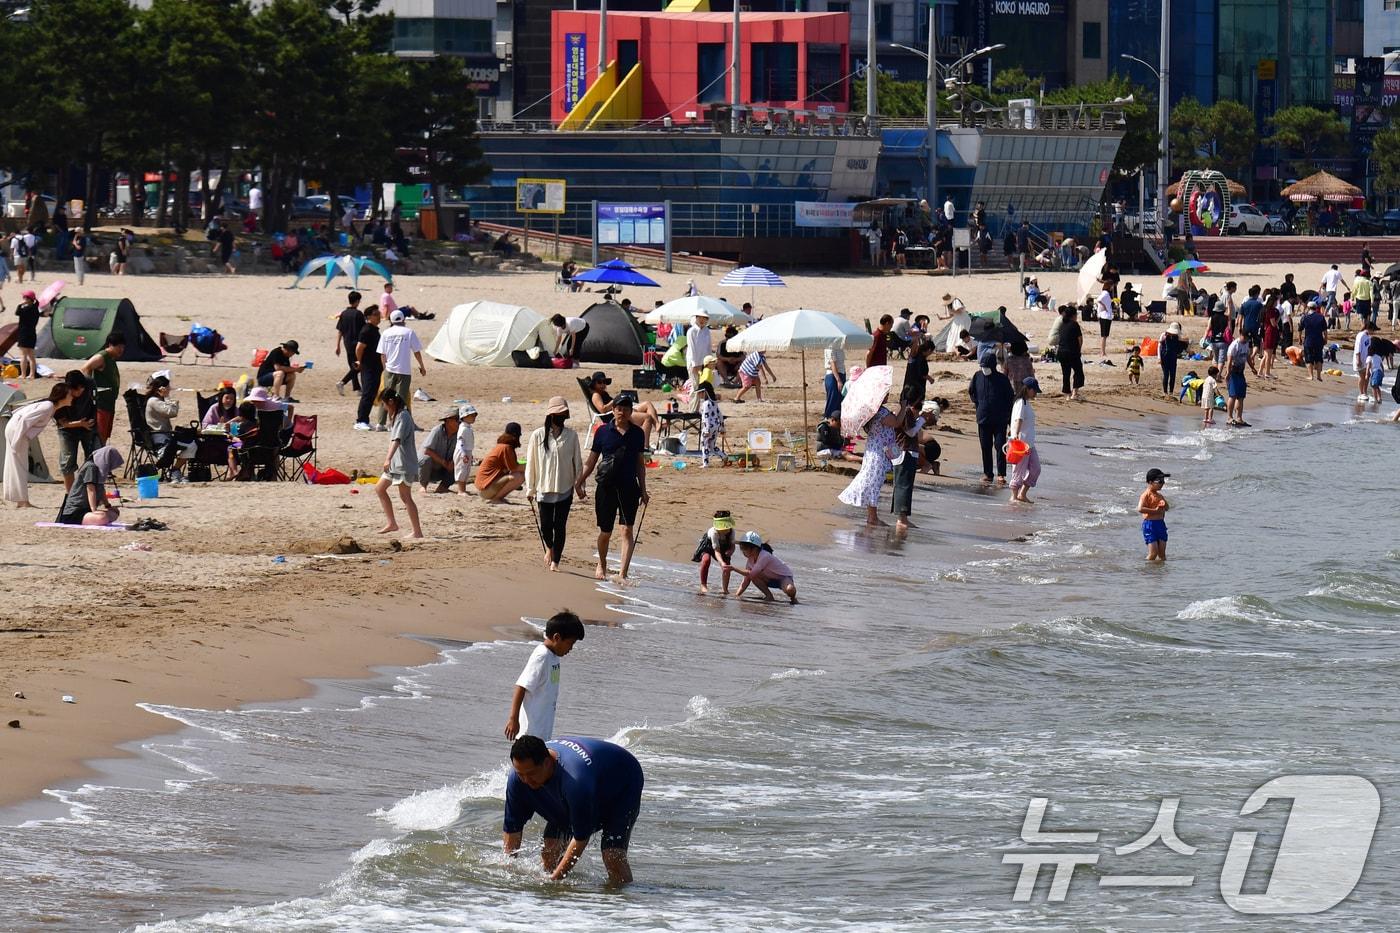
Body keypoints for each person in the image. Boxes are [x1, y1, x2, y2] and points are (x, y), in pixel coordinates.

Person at [502, 735, 644, 886]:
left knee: (612, 856)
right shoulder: (517, 779)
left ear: (547, 762)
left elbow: (581, 837)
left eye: (531, 774)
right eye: (520, 774)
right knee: (551, 850)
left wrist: (554, 880)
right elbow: (512, 828)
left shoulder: (576, 781)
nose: (526, 781)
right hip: (585, 781)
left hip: (622, 783)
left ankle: (623, 903)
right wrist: (509, 871)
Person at [574, 395, 649, 581]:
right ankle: (602, 563)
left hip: (629, 487)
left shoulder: (638, 434)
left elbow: (640, 463)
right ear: (613, 410)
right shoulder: (602, 432)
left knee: (626, 530)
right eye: (618, 408)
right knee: (605, 532)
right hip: (606, 487)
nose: (621, 412)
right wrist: (579, 481)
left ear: (631, 412)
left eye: (625, 408)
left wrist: (644, 489)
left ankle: (623, 573)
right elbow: (591, 461)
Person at [504, 611, 585, 741]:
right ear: (557, 637)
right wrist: (513, 719)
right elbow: (521, 686)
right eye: (570, 643)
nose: (571, 648)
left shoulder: (554, 656)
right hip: (529, 733)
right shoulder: (542, 656)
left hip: (541, 732)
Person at [525, 398, 584, 570]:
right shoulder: (537, 435)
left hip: (565, 489)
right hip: (543, 489)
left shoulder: (572, 436)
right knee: (546, 527)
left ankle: (555, 561)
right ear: (551, 415)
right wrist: (530, 488)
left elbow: (578, 463)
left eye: (564, 414)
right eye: (560, 414)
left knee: (560, 526)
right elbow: (532, 463)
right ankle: (549, 548)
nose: (562, 417)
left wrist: (579, 485)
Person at [3, 382, 73, 507]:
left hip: (17, 431)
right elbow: (24, 420)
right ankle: (23, 502)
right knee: (20, 466)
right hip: (17, 431)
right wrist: (17, 440)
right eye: (69, 395)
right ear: (62, 396)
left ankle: (20, 500)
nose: (72, 397)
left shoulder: (50, 407)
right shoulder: (48, 407)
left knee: (18, 466)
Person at [837, 402, 900, 527]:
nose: (887, 395)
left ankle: (872, 516)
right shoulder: (880, 412)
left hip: (875, 448)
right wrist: (902, 407)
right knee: (873, 482)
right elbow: (896, 422)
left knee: (871, 480)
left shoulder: (871, 412)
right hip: (878, 451)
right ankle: (872, 517)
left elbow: (893, 420)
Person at [374, 390, 423, 539]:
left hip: (403, 463)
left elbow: (397, 440)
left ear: (390, 402)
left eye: (384, 404)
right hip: (395, 463)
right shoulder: (397, 415)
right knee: (380, 489)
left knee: (405, 496)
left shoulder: (403, 416)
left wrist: (387, 458)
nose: (384, 407)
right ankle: (392, 523)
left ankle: (417, 532)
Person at [969, 351, 1014, 485]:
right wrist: (978, 404)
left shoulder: (1002, 379)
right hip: (983, 418)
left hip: (1000, 419)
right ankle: (988, 473)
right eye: (982, 366)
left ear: (993, 366)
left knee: (1000, 446)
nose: (984, 369)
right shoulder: (977, 376)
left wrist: (1009, 419)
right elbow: (972, 392)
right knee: (985, 446)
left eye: (986, 366)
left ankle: (1001, 474)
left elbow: (1009, 397)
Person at [376, 310, 426, 427]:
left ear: (391, 320)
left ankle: (381, 423)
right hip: (404, 370)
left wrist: (385, 369)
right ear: (403, 319)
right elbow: (416, 351)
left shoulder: (386, 333)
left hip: (389, 369)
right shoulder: (409, 332)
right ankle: (396, 423)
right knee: (401, 398)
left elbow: (382, 354)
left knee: (386, 396)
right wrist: (422, 366)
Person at [55, 446, 124, 526]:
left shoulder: (99, 469)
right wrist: (94, 510)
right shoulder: (91, 467)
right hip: (75, 512)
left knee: (115, 512)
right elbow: (90, 489)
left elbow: (101, 489)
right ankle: (94, 518)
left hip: (87, 511)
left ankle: (94, 518)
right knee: (102, 518)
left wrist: (108, 506)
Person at [588, 372, 660, 448]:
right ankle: (644, 446)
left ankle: (657, 425)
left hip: (621, 409)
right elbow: (603, 409)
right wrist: (615, 400)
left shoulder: (603, 393)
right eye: (599, 382)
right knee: (647, 418)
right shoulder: (596, 395)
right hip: (617, 416)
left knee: (647, 404)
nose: (602, 385)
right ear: (594, 384)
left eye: (604, 382)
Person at [144, 376, 194, 483]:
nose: (169, 388)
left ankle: (175, 469)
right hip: (159, 436)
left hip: (168, 434)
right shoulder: (153, 401)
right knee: (178, 448)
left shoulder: (159, 400)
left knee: (192, 445)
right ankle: (171, 472)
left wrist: (168, 400)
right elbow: (172, 412)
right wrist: (167, 397)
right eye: (167, 387)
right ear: (161, 388)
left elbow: (172, 410)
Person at [81, 332, 124, 444]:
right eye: (118, 346)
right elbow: (85, 368)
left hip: (109, 403)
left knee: (104, 435)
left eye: (123, 347)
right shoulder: (102, 356)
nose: (121, 349)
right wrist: (90, 389)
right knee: (99, 435)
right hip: (101, 403)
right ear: (110, 345)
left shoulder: (111, 358)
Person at [733, 530, 798, 603]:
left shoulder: (765, 556)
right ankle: (769, 596)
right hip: (768, 579)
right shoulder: (750, 561)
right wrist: (737, 595)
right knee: (752, 577)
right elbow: (746, 581)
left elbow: (751, 573)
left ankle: (793, 599)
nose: (742, 551)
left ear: (754, 549)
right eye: (741, 548)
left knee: (790, 589)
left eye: (744, 548)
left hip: (783, 578)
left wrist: (734, 569)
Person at [890, 387, 922, 531]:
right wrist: (922, 419)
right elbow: (910, 432)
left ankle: (902, 518)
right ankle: (902, 519)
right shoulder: (906, 412)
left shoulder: (901, 411)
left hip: (902, 452)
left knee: (901, 485)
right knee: (904, 485)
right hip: (905, 452)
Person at [476, 421, 525, 503]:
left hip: (484, 488)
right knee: (518, 477)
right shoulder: (506, 447)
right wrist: (530, 465)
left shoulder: (501, 446)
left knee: (518, 475)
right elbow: (514, 468)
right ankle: (496, 498)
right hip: (486, 489)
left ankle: (498, 497)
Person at [1009, 377, 1041, 504]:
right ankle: (1014, 496)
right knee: (1018, 471)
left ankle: (1022, 494)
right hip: (1021, 444)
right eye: (1034, 391)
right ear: (1027, 389)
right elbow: (1018, 419)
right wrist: (1015, 434)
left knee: (1036, 469)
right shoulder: (1020, 403)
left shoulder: (1026, 403)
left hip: (1030, 444)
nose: (1036, 393)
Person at [353, 307, 384, 430]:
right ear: (369, 316)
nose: (379, 316)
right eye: (376, 314)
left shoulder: (374, 330)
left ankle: (365, 419)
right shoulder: (367, 330)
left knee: (371, 394)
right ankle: (360, 421)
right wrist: (360, 362)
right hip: (368, 367)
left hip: (375, 367)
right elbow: (359, 348)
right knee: (367, 393)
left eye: (379, 314)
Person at [417, 408, 461, 493]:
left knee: (461, 461)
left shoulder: (460, 433)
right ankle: (423, 486)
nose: (460, 423)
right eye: (457, 420)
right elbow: (427, 451)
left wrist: (452, 462)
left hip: (446, 467)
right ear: (448, 420)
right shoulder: (437, 430)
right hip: (431, 466)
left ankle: (443, 487)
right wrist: (444, 462)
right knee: (426, 459)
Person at [693, 510, 737, 594]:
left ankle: (725, 589)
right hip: (709, 545)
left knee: (727, 566)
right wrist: (721, 562)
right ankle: (703, 585)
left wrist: (731, 551)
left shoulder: (731, 532)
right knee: (706, 560)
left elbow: (732, 545)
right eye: (722, 528)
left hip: (724, 546)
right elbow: (717, 551)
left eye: (726, 528)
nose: (725, 530)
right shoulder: (714, 532)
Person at [1224, 330, 1256, 428]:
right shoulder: (1234, 345)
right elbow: (1229, 361)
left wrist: (1253, 368)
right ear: (1241, 335)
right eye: (1245, 337)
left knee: (1241, 396)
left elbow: (1247, 357)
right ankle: (1229, 417)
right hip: (1233, 373)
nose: (1247, 340)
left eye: (1248, 338)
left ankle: (1239, 418)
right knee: (1232, 395)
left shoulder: (1246, 344)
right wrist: (1228, 373)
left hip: (1241, 373)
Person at [335, 291, 366, 395]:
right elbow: (364, 330)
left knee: (353, 366)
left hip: (347, 343)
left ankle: (357, 389)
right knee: (360, 366)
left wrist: (338, 346)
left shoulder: (343, 313)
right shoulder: (358, 314)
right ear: (357, 301)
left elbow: (340, 330)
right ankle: (342, 382)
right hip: (358, 344)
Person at [1138, 468, 1170, 562]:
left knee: (1162, 554)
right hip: (1150, 525)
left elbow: (1167, 508)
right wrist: (1155, 510)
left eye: (1163, 481)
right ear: (1150, 482)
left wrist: (1164, 504)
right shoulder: (1145, 495)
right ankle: (1147, 570)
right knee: (1153, 553)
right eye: (1160, 481)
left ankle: (1160, 573)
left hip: (1160, 524)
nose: (1162, 483)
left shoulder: (1160, 496)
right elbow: (1140, 508)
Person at [684, 311, 712, 412]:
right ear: (696, 318)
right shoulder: (691, 331)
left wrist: (710, 362)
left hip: (704, 363)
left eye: (705, 318)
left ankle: (703, 409)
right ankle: (693, 410)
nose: (702, 320)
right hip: (693, 363)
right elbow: (692, 349)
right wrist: (695, 365)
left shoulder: (707, 331)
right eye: (700, 318)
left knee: (704, 386)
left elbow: (708, 347)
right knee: (695, 386)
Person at [13, 290, 44, 379]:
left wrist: (20, 305)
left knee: (23, 355)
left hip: (24, 333)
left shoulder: (25, 309)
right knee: (31, 356)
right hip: (32, 333)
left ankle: (23, 374)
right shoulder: (36, 310)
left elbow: (17, 313)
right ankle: (32, 374)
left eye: (25, 297)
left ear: (28, 299)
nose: (23, 299)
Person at [1056, 306, 1084, 399]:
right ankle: (1074, 393)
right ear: (1073, 315)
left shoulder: (1062, 324)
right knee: (1078, 372)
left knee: (1066, 373)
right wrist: (1079, 350)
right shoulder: (1074, 324)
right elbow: (1080, 339)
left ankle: (1067, 394)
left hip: (1061, 352)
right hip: (1071, 352)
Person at [1299, 299, 1329, 382]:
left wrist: (1300, 338)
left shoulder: (1305, 317)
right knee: (1319, 358)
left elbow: (1300, 329)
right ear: (1316, 308)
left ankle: (1311, 375)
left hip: (1308, 341)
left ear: (1308, 308)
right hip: (1319, 340)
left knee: (1309, 358)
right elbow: (1325, 330)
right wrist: (1325, 339)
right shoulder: (1321, 317)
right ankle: (1319, 376)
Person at [453, 403, 479, 495]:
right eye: (471, 416)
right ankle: (461, 490)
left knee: (466, 470)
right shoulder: (463, 429)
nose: (473, 418)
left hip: (467, 451)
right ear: (464, 417)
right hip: (462, 452)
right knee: (461, 470)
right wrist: (463, 454)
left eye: (474, 416)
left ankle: (463, 489)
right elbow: (460, 442)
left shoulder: (468, 428)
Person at [697, 381, 724, 467]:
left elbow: (706, 417)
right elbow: (720, 415)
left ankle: (705, 463)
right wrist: (722, 427)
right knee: (712, 446)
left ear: (705, 392)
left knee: (704, 445)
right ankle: (724, 456)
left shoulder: (705, 404)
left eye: (700, 393)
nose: (699, 395)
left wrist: (707, 429)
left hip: (708, 427)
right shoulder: (714, 403)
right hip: (716, 426)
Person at [1158, 322, 1186, 398]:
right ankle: (1165, 392)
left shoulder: (1177, 336)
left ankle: (1171, 392)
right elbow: (1159, 346)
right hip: (1164, 357)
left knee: (1173, 375)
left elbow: (1184, 342)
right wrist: (1159, 358)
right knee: (1166, 375)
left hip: (1173, 357)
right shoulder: (1163, 335)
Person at [822, 344, 846, 419]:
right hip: (833, 376)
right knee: (832, 401)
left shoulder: (839, 346)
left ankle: (837, 424)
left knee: (840, 402)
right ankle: (828, 421)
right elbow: (833, 364)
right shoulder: (830, 347)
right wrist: (838, 380)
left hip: (841, 374)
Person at [1095, 288, 1114, 358]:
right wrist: (1104, 307)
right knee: (1104, 336)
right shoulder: (1105, 293)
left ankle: (1103, 351)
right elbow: (1099, 300)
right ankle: (1103, 352)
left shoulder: (1105, 293)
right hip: (1105, 316)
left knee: (1104, 336)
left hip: (1106, 316)